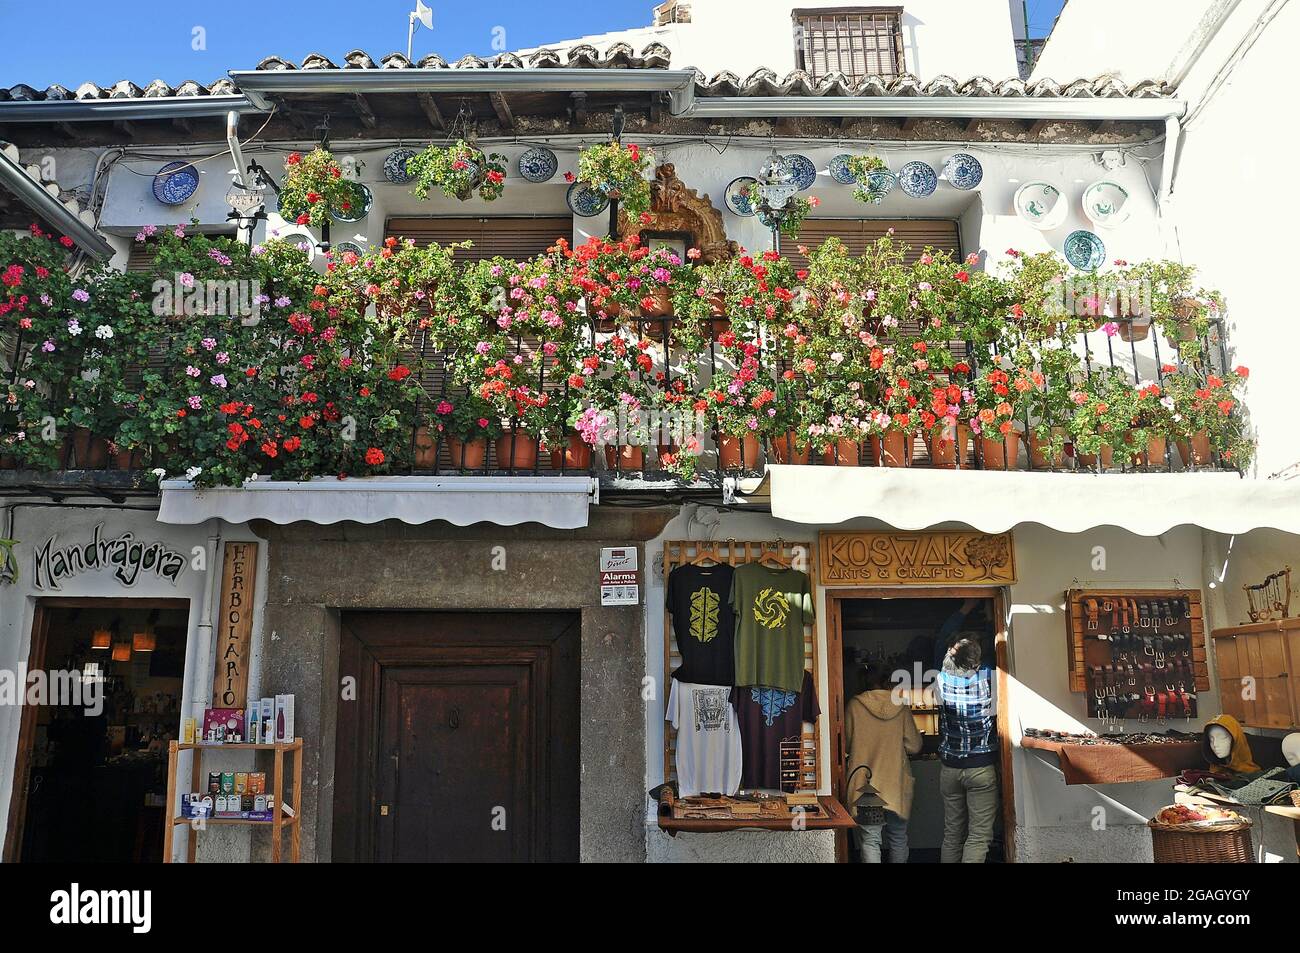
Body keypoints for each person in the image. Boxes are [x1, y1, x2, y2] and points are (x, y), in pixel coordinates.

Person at [845, 664, 922, 863]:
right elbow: (914, 745)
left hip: (866, 786)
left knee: (870, 840)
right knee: (898, 839)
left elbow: (845, 743)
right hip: (895, 783)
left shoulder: (854, 705)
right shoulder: (901, 705)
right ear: (888, 682)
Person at [934, 637, 999, 863]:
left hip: (950, 768)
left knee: (952, 834)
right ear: (976, 661)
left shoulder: (940, 681)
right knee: (978, 837)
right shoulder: (988, 677)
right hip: (980, 767)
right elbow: (989, 659)